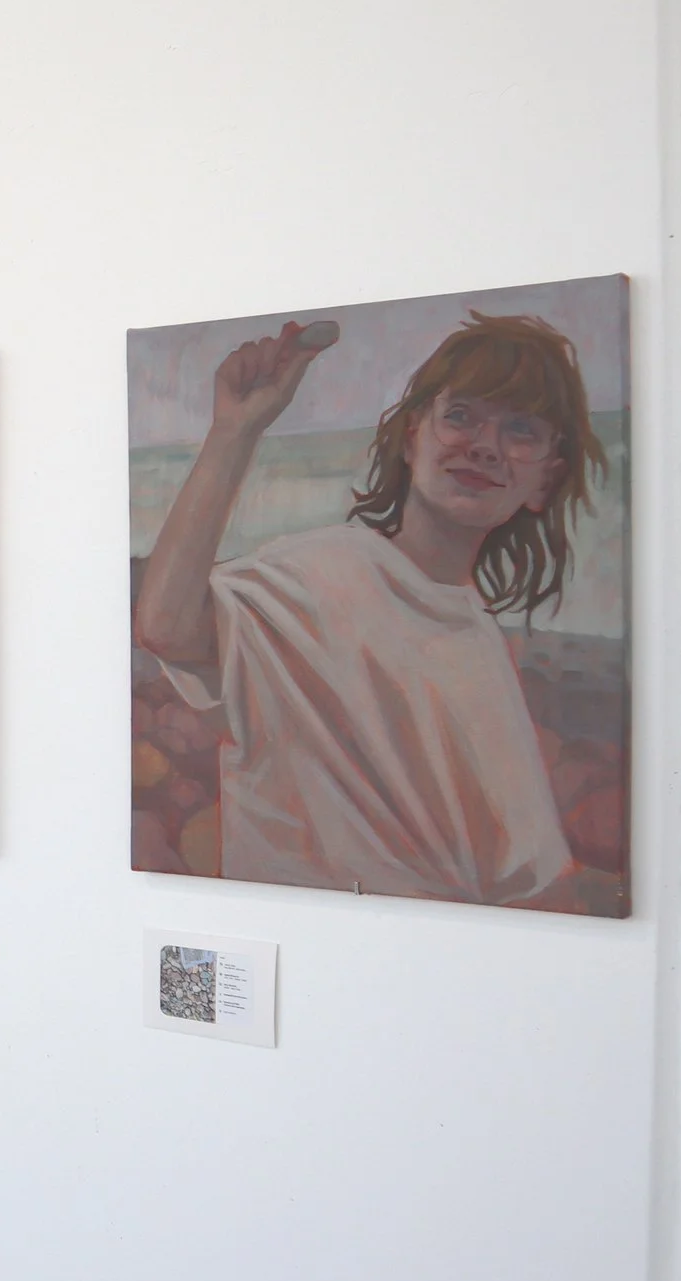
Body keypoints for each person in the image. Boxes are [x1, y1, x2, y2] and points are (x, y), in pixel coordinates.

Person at [133, 311, 608, 907]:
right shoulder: (323, 572)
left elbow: (522, 876)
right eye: (461, 416)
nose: (485, 447)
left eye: (520, 430)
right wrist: (235, 431)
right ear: (411, 437)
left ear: (545, 479)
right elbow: (166, 626)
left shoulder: (478, 637)